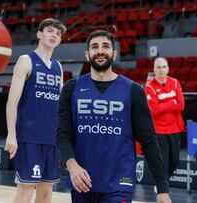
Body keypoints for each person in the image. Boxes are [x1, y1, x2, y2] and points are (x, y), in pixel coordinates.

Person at [57, 30, 171, 203]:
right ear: (87, 55)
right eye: (95, 47)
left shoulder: (133, 90)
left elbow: (148, 140)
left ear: (114, 53)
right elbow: (63, 134)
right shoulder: (72, 88)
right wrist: (72, 166)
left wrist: (162, 189)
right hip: (81, 181)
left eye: (106, 46)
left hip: (119, 182)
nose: (100, 50)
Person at [4, 18, 66, 203]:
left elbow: (61, 106)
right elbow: (12, 102)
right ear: (39, 34)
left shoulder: (58, 67)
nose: (54, 35)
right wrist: (11, 135)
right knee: (26, 188)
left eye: (58, 33)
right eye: (49, 30)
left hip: (51, 138)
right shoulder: (26, 60)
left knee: (47, 190)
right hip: (29, 136)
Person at [145, 57, 185, 180]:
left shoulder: (174, 82)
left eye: (164, 67)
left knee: (175, 160)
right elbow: (155, 109)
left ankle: (163, 182)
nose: (161, 70)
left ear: (168, 68)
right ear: (154, 69)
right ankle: (162, 186)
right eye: (158, 67)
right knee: (163, 161)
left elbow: (181, 105)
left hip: (175, 128)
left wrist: (163, 104)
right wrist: (171, 102)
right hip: (159, 130)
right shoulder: (149, 87)